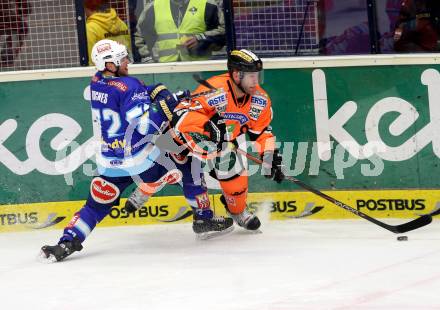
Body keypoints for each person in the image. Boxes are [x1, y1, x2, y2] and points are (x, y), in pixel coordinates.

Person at [39, 39, 232, 262]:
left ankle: (67, 242)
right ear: (110, 64)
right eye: (122, 59)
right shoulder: (129, 86)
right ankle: (201, 216)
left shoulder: (96, 82)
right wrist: (169, 101)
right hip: (140, 159)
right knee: (187, 160)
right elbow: (144, 126)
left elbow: (124, 95)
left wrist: (153, 90)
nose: (127, 61)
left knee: (95, 206)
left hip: (110, 161)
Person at [170, 49, 284, 231]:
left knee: (236, 182)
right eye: (251, 76)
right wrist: (207, 126)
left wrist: (269, 156)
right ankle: (203, 218)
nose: (256, 81)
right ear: (237, 75)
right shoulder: (215, 90)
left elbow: (261, 132)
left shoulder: (260, 100)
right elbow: (182, 114)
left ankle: (237, 211)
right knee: (190, 174)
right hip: (190, 139)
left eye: (258, 76)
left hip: (223, 144)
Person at [134, 0, 225, 63]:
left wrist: (200, 39)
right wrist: (149, 61)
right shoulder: (153, 7)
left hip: (200, 68)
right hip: (163, 70)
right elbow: (140, 37)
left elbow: (223, 32)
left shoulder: (208, 5)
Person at [84, 0, 131, 65]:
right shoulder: (121, 23)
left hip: (105, 71)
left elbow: (91, 59)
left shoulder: (90, 28)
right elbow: (128, 50)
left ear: (87, 8)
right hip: (123, 68)